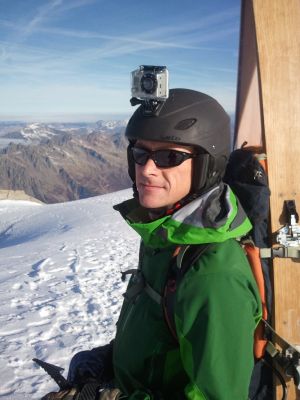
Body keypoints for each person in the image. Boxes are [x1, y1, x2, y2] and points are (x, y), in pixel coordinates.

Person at [43, 89, 262, 400]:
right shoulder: (167, 236)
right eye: (140, 153)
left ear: (207, 166)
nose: (147, 169)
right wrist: (108, 360)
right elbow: (159, 337)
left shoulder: (213, 276)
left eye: (169, 156)